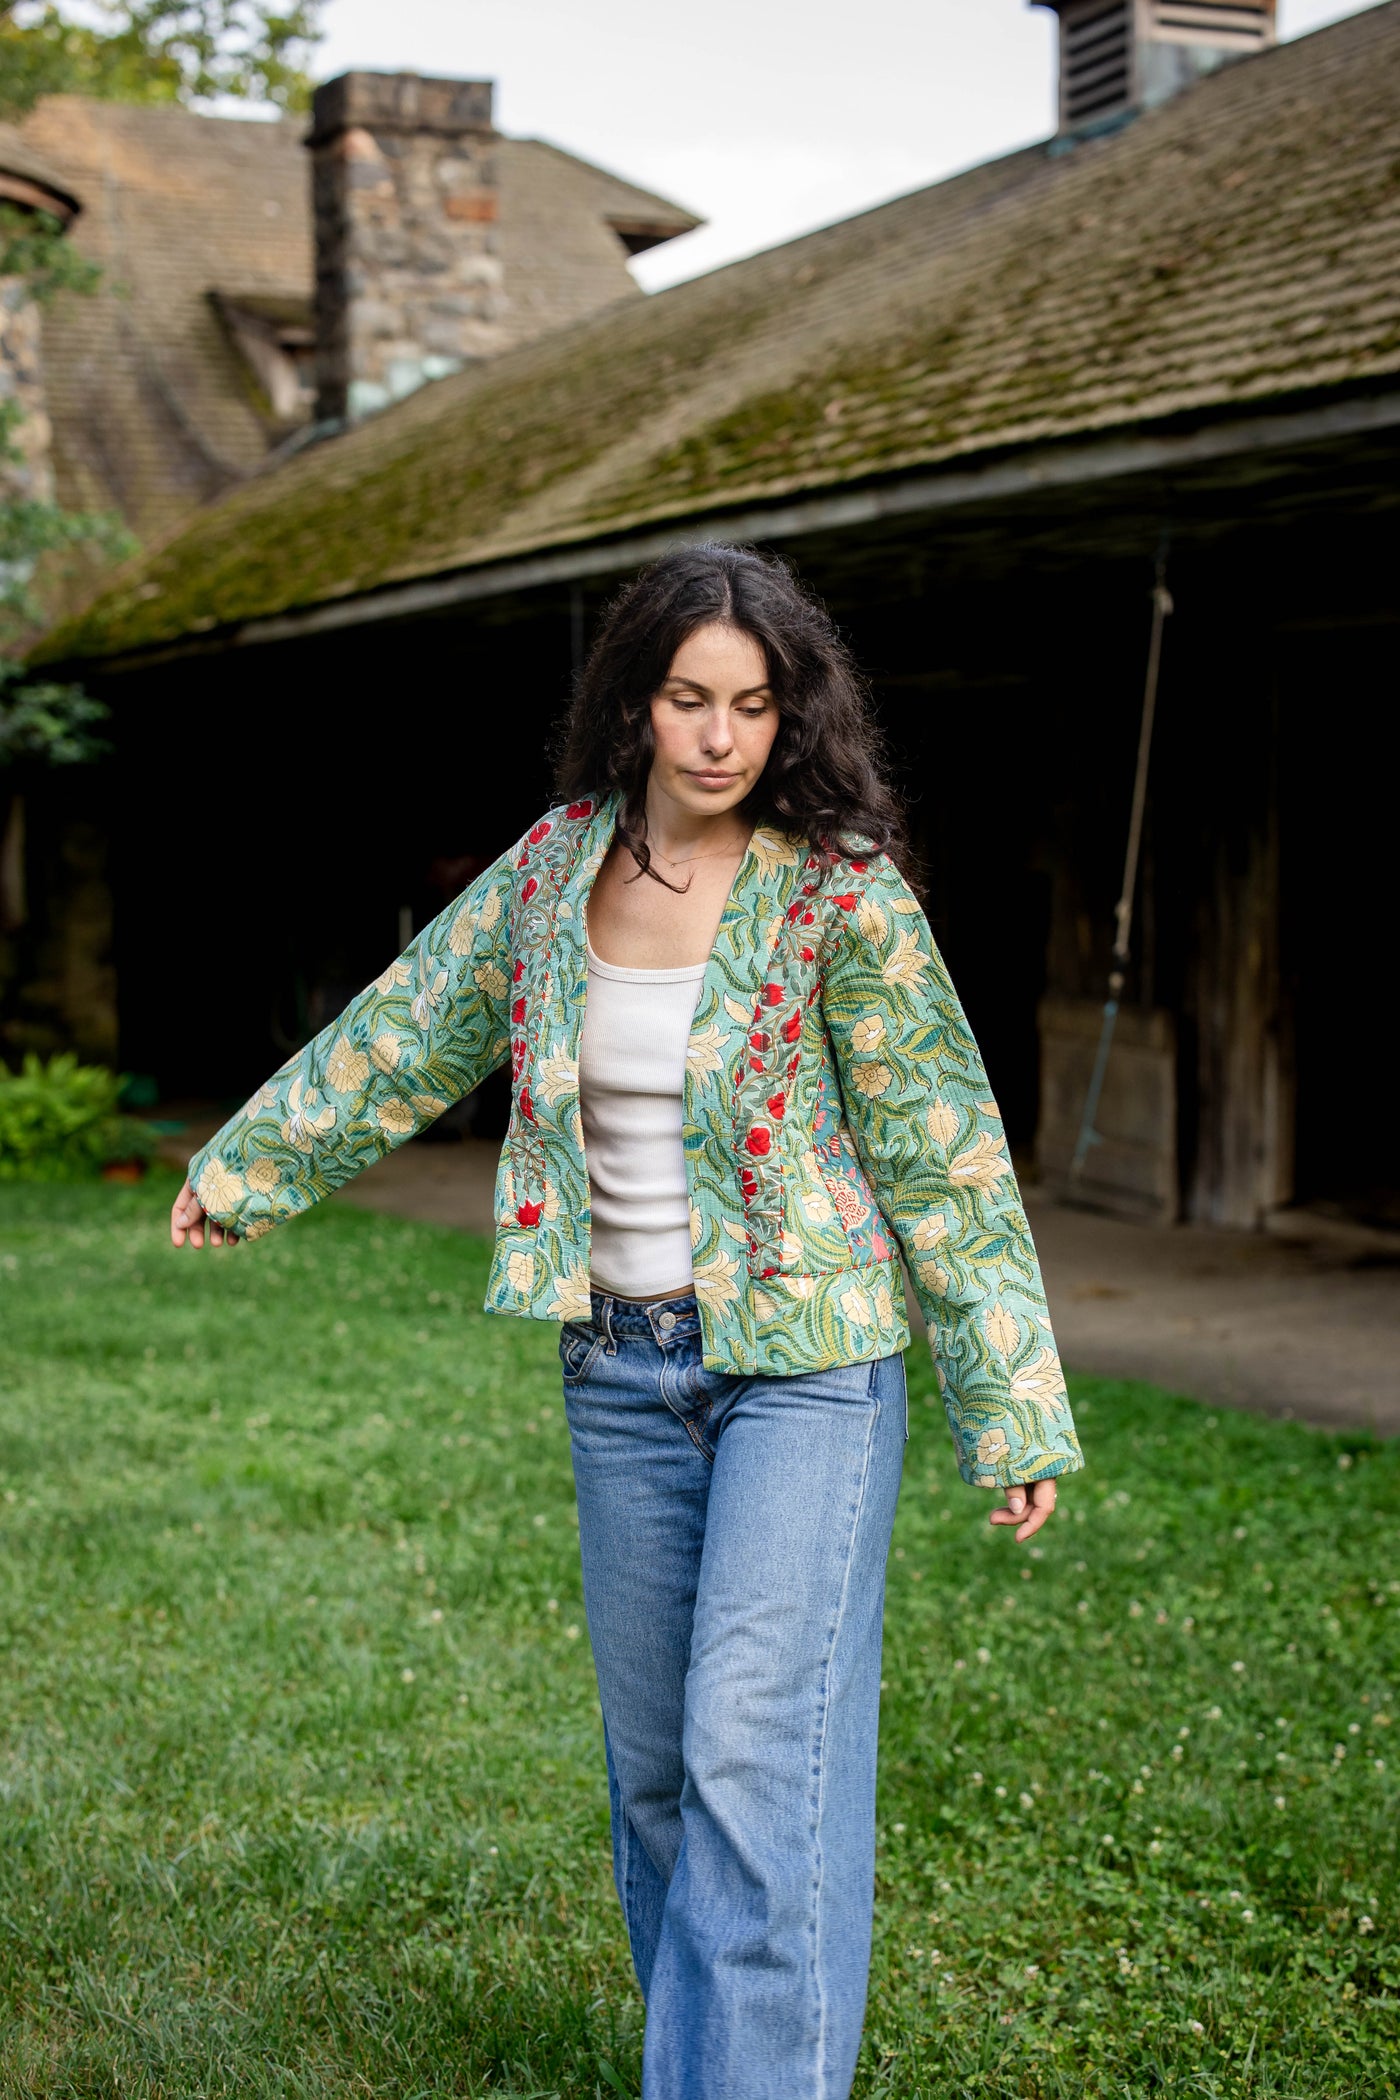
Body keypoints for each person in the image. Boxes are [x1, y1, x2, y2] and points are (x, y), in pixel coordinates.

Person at [171, 544, 1083, 2100]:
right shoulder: (551, 874)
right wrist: (248, 1167)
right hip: (619, 1366)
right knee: (662, 1773)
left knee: (751, 1754)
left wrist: (1011, 1402)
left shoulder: (841, 893)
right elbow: (409, 1025)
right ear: (635, 704)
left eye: (753, 706)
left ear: (791, 716)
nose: (721, 738)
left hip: (808, 1370)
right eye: (689, 699)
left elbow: (944, 1149)